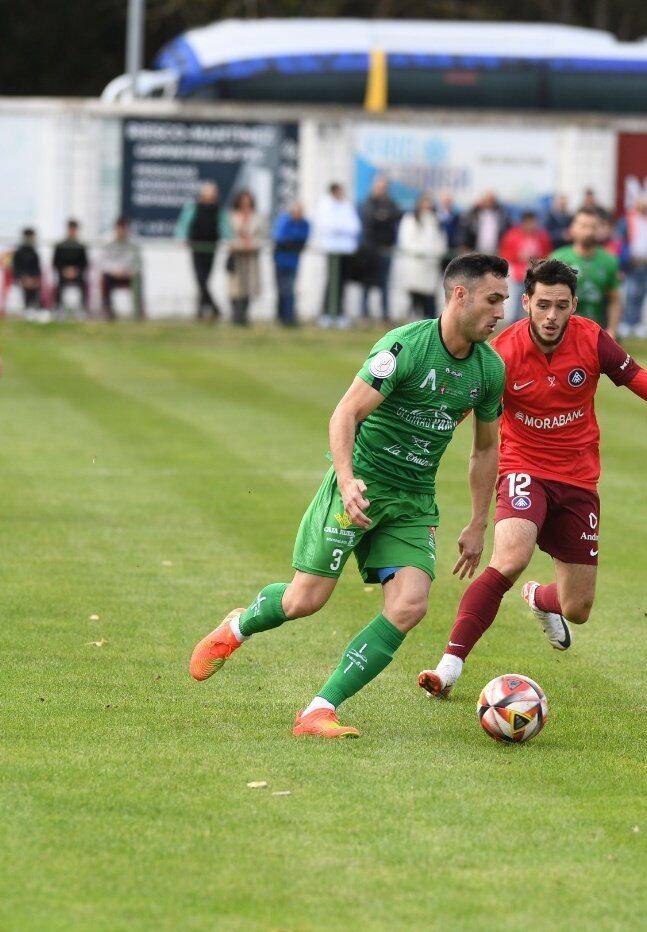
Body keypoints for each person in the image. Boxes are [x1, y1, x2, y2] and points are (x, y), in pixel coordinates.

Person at [188, 254, 509, 739]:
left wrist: (478, 522)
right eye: (493, 299)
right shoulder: (403, 348)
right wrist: (345, 479)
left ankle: (318, 710)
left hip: (412, 501)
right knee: (304, 600)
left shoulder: (488, 370)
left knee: (411, 605)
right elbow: (345, 414)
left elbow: (486, 451)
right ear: (458, 295)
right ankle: (238, 626)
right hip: (359, 486)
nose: (501, 312)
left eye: (503, 301)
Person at [417, 258, 647, 699]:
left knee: (577, 608)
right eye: (542, 305)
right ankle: (448, 668)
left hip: (578, 481)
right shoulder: (501, 354)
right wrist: (469, 511)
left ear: (574, 305)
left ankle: (540, 599)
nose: (551, 316)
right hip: (524, 469)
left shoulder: (593, 340)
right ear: (525, 303)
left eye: (562, 306)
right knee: (510, 558)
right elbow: (456, 419)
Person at [549, 208, 620, 335]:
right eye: (583, 226)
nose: (588, 231)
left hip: (597, 331)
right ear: (573, 228)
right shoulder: (558, 258)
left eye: (593, 227)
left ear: (599, 229)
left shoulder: (609, 261)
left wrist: (612, 329)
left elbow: (614, 300)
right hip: (563, 331)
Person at [175, 182, 230, 322]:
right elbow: (183, 224)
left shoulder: (218, 209)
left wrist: (229, 240)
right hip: (197, 247)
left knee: (205, 278)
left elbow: (225, 227)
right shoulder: (193, 208)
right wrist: (181, 239)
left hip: (211, 248)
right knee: (201, 279)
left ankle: (201, 310)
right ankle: (214, 307)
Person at [314, 182, 361, 327]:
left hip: (346, 250)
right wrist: (341, 228)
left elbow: (354, 227)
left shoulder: (346, 206)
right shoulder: (325, 205)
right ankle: (327, 313)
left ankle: (339, 313)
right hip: (332, 250)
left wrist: (341, 229)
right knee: (331, 282)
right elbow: (328, 226)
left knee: (342, 282)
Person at [358, 175, 402, 322]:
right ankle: (364, 314)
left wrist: (383, 216)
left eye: (384, 187)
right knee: (367, 284)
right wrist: (382, 217)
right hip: (369, 251)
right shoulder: (367, 203)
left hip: (385, 250)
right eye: (379, 186)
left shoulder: (390, 203)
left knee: (384, 284)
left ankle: (384, 315)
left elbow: (396, 215)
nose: (382, 190)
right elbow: (369, 220)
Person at [396, 192, 447, 319]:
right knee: (414, 297)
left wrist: (435, 253)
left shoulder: (435, 221)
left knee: (429, 299)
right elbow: (406, 241)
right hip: (415, 265)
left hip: (430, 266)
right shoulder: (410, 219)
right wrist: (423, 252)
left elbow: (441, 242)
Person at [618, 195, 647, 338]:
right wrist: (628, 255)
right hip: (632, 265)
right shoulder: (627, 220)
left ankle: (638, 323)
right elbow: (620, 241)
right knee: (630, 294)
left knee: (643, 294)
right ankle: (627, 322)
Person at [499, 211, 553, 321]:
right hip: (516, 275)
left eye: (533, 222)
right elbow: (505, 255)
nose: (531, 225)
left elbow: (547, 254)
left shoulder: (542, 236)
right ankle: (513, 327)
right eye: (528, 222)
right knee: (515, 307)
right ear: (523, 222)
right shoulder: (512, 235)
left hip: (535, 276)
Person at [226, 190, 264, 327]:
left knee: (248, 286)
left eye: (248, 202)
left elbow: (261, 236)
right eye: (243, 202)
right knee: (236, 287)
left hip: (250, 256)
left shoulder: (258, 217)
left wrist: (252, 244)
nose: (245, 205)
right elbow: (228, 235)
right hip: (236, 255)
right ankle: (236, 315)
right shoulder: (232, 217)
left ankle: (244, 316)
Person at [272, 201, 310, 327]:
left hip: (293, 262)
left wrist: (292, 242)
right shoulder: (285, 221)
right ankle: (282, 317)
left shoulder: (305, 224)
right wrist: (293, 242)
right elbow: (281, 239)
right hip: (281, 261)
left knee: (290, 290)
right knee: (283, 290)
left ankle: (289, 317)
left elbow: (301, 240)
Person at [99, 217, 142, 320]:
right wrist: (114, 271)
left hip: (128, 276)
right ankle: (108, 312)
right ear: (115, 229)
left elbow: (137, 264)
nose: (121, 231)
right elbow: (103, 263)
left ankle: (137, 314)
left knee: (137, 278)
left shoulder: (133, 246)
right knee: (104, 279)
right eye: (119, 229)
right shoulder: (109, 246)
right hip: (113, 275)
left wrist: (127, 271)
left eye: (123, 229)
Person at [52, 219, 89, 313]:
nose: (72, 231)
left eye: (74, 229)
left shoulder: (81, 246)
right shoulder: (60, 245)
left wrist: (75, 271)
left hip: (77, 274)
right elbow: (55, 262)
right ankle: (58, 307)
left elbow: (84, 263)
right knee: (59, 284)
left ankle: (82, 308)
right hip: (63, 274)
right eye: (70, 229)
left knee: (84, 283)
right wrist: (65, 271)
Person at [458, 191, 510, 255]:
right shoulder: (474, 214)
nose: (488, 202)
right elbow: (465, 228)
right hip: (476, 251)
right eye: (486, 200)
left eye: (491, 200)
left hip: (496, 251)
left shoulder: (501, 215)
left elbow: (506, 231)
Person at [12, 228, 42, 313]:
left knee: (35, 287)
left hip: (32, 279)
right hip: (22, 279)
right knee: (26, 288)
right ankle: (26, 308)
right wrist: (24, 278)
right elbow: (16, 268)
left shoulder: (34, 252)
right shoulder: (18, 252)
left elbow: (37, 268)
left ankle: (34, 308)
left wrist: (35, 279)